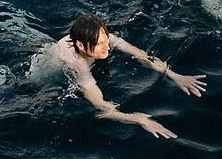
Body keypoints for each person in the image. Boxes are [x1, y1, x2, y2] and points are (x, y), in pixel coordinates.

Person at [36, 13, 205, 139]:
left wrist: (173, 75)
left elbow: (141, 55)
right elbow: (100, 107)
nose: (107, 47)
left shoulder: (98, 37)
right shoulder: (77, 65)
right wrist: (138, 119)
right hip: (43, 81)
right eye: (100, 44)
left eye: (106, 40)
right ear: (80, 45)